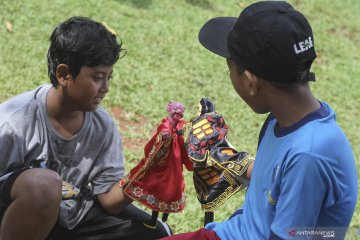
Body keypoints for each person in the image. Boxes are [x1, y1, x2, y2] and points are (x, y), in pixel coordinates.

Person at [161, 1, 358, 239]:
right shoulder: (282, 119)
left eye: (230, 68)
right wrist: (228, 157)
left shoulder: (309, 154)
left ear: (251, 82)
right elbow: (277, 184)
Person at [0, 16, 171, 240]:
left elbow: (109, 201)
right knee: (45, 186)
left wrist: (148, 172)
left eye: (109, 77)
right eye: (98, 77)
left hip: (70, 220)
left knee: (157, 234)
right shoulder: (13, 122)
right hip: (17, 221)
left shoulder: (102, 125)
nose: (106, 88)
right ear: (64, 75)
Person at [119, 101, 193, 226]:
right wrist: (166, 135)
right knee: (158, 189)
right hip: (162, 165)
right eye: (176, 113)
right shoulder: (166, 124)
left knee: (173, 188)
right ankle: (153, 220)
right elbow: (162, 133)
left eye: (180, 114)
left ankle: (165, 216)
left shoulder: (182, 126)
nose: (178, 116)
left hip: (175, 165)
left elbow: (186, 140)